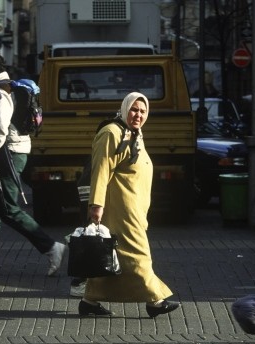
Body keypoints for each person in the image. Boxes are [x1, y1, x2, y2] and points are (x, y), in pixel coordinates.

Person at [80, 92, 180, 318]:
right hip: (119, 208)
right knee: (138, 253)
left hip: (134, 207)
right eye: (134, 109)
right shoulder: (112, 133)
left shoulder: (133, 134)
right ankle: (155, 301)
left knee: (112, 255)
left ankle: (89, 301)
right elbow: (101, 170)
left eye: (143, 111)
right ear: (125, 109)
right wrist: (96, 205)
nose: (139, 115)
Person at [0, 51, 66, 277]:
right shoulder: (1, 87)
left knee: (6, 208)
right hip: (9, 150)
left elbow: (0, 126)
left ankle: (51, 247)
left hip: (7, 152)